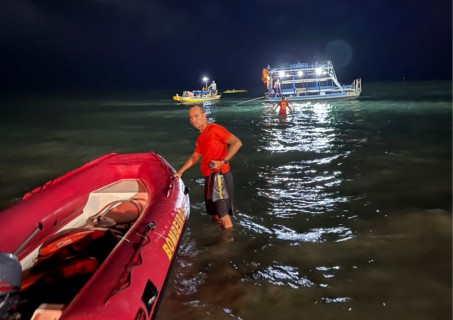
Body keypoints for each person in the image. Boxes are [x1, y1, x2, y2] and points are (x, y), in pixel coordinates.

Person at [173, 105, 242, 229]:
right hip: (210, 177)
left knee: (224, 216)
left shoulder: (215, 129)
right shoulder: (200, 138)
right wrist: (181, 172)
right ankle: (216, 235)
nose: (193, 120)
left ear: (204, 116)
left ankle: (228, 244)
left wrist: (223, 161)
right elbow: (195, 156)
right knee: (215, 214)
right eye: (191, 118)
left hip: (219, 177)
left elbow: (237, 142)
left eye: (196, 116)